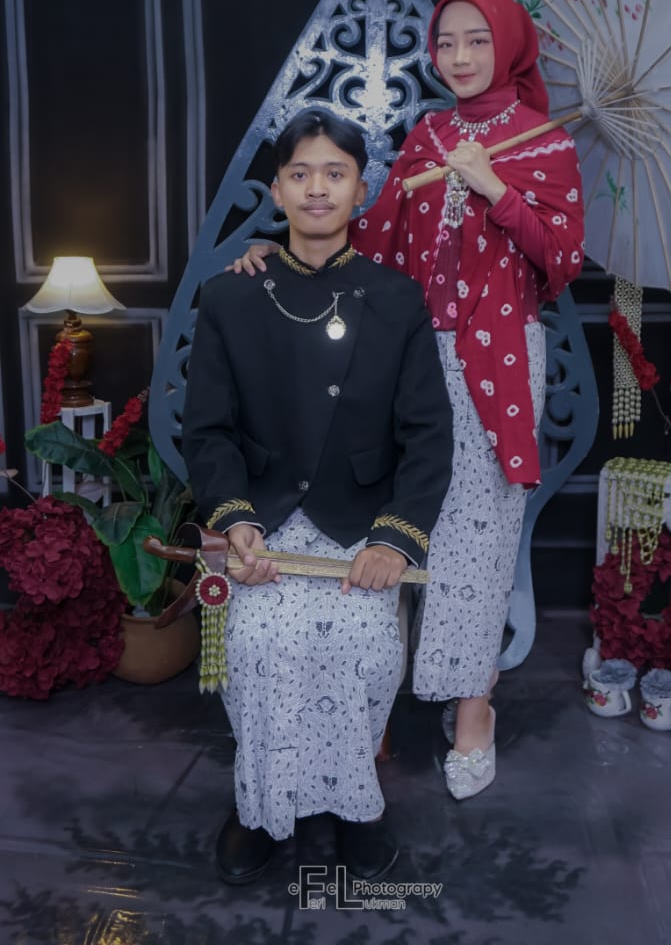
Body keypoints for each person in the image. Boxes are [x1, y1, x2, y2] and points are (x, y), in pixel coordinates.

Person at [231, 0, 585, 801]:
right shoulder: (428, 134)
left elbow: (562, 260)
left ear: (509, 47)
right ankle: (375, 691)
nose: (458, 58)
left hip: (498, 361)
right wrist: (280, 248)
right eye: (447, 42)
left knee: (476, 540)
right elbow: (376, 234)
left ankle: (472, 710)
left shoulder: (544, 144)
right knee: (392, 519)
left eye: (476, 42)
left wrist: (496, 189)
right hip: (408, 353)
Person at [182, 107, 453, 884]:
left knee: (362, 648)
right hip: (264, 521)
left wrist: (393, 539)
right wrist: (236, 523)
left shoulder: (397, 299)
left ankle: (351, 805)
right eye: (299, 173)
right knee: (260, 645)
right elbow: (209, 432)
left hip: (359, 523)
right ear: (276, 191)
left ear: (361, 190)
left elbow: (429, 436)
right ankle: (259, 805)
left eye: (335, 173)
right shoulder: (231, 297)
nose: (317, 188)